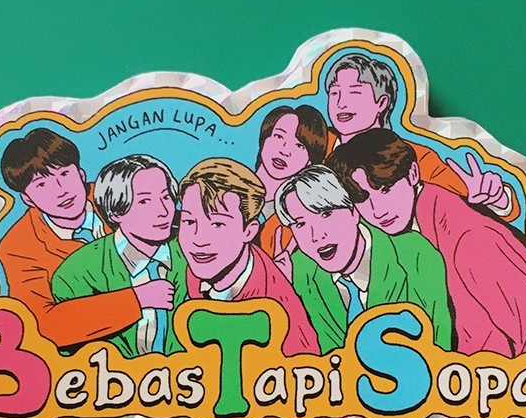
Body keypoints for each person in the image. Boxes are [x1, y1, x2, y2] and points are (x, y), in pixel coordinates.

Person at [326, 129, 526, 356]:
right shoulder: (392, 238)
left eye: (386, 189)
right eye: (362, 199)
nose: (378, 210)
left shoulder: (467, 238)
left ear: (412, 174)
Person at [0, 128, 148, 348]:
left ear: (81, 173)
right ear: (28, 199)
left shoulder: (120, 195)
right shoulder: (18, 247)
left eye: (64, 174)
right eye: (42, 185)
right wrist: (137, 299)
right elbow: (44, 325)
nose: (61, 191)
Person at [274, 166, 451, 353]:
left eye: (326, 214)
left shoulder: (415, 254)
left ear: (354, 211)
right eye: (300, 224)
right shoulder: (301, 270)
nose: (316, 235)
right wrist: (282, 290)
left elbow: (437, 348)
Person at [324, 52, 519, 221]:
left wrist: (499, 198)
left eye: (354, 92)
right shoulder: (316, 146)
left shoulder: (412, 157)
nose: (341, 103)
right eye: (334, 93)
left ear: (381, 103)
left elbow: (473, 196)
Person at [178, 158, 319, 356]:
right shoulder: (198, 268)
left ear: (249, 231)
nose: (198, 239)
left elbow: (305, 362)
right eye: (189, 221)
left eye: (217, 224)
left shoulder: (275, 304)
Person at [50, 155, 186, 357]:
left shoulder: (190, 253)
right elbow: (61, 336)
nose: (163, 211)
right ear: (116, 212)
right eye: (145, 201)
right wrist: (137, 300)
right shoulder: (78, 271)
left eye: (166, 197)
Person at [254, 105, 329, 258]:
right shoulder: (231, 189)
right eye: (278, 136)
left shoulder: (298, 220)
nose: (285, 150)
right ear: (264, 139)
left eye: (299, 145)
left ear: (310, 161)